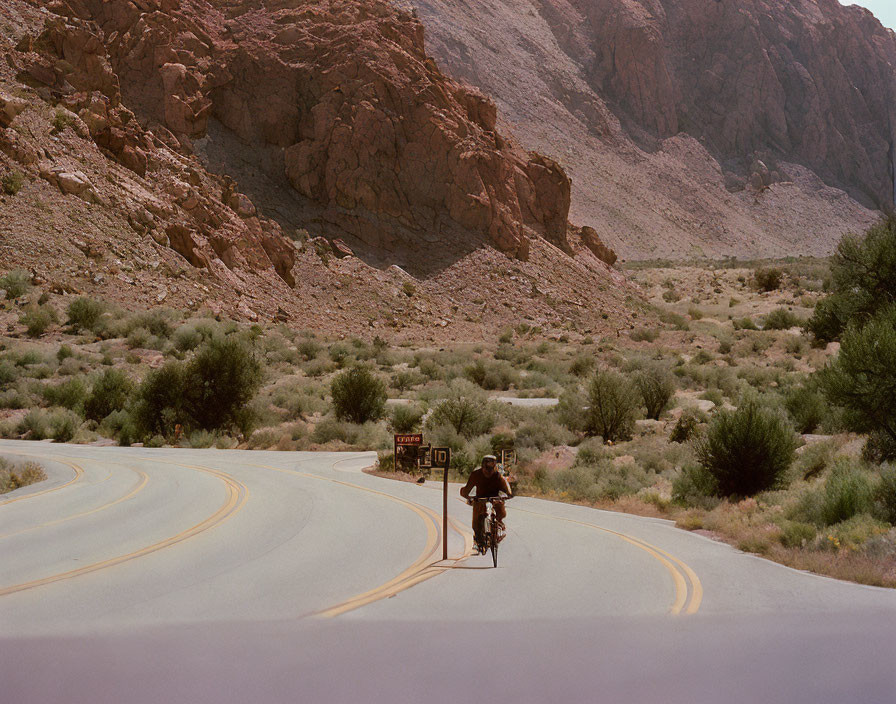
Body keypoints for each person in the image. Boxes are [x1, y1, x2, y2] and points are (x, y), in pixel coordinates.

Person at [460, 455, 512, 552]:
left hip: (495, 498)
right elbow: (467, 489)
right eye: (486, 467)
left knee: (501, 511)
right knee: (476, 522)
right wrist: (466, 495)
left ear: (494, 467)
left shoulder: (498, 476)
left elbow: (507, 489)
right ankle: (478, 541)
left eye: (491, 468)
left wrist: (508, 495)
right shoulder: (475, 475)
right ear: (482, 466)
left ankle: (498, 526)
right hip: (480, 499)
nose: (488, 472)